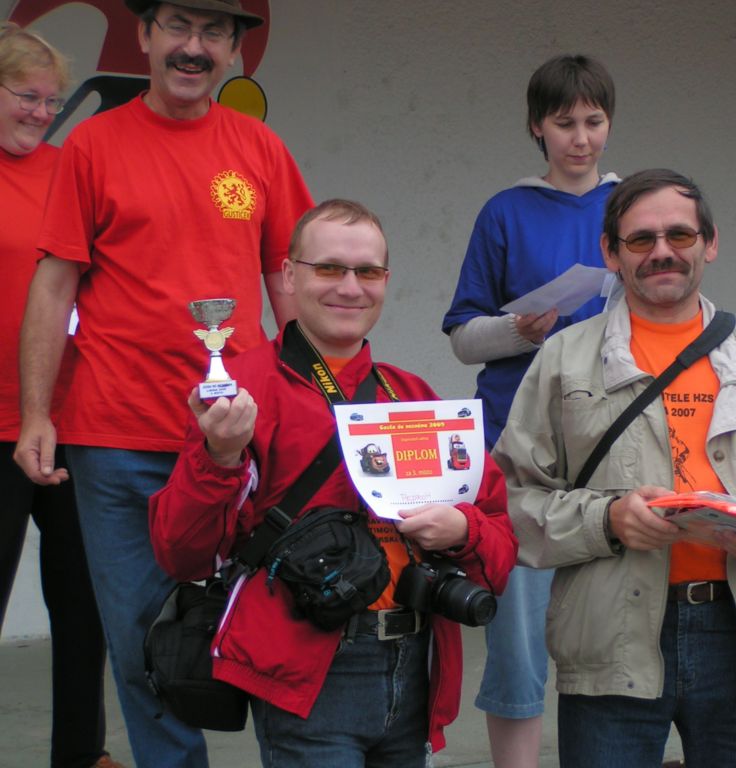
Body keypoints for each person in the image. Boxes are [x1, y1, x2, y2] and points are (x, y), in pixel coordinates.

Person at [12, 2, 313, 766]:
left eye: (214, 33)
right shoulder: (93, 145)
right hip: (115, 439)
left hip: (237, 438)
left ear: (234, 50)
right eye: (178, 26)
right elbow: (54, 283)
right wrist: (38, 413)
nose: (193, 47)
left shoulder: (260, 147)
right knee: (143, 646)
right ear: (144, 35)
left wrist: (314, 401)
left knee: (274, 628)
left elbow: (290, 283)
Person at [492, 168, 736, 768]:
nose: (662, 251)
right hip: (609, 638)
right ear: (611, 252)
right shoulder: (564, 359)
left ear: (709, 244)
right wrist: (608, 520)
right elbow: (509, 501)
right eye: (641, 239)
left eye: (680, 235)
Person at [149, 199, 518, 767]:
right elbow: (183, 554)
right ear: (288, 275)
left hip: (415, 667)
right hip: (309, 674)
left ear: (385, 282)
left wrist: (463, 530)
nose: (350, 287)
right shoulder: (242, 390)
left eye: (367, 271)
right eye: (329, 268)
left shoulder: (412, 397)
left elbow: (500, 547)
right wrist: (218, 458)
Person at [441, 53, 618, 768]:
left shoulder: (634, 206)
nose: (581, 138)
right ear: (536, 127)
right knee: (517, 635)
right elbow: (462, 337)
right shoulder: (505, 211)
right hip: (516, 444)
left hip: (610, 441)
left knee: (612, 634)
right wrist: (520, 330)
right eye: (564, 122)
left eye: (594, 121)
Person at [0, 24, 122, 768]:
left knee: (84, 602)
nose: (43, 112)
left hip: (71, 418)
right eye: (27, 96)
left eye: (52, 100)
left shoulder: (66, 171)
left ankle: (81, 753)